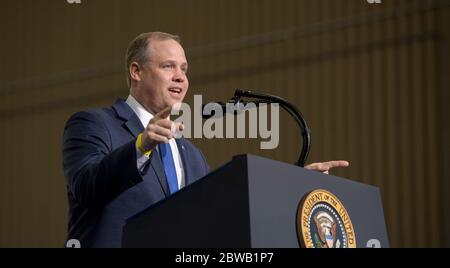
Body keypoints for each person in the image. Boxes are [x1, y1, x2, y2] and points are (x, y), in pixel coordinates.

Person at [62, 32, 349, 248]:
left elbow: (224, 215)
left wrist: (292, 187)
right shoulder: (94, 123)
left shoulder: (190, 154)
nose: (180, 78)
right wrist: (141, 146)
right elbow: (86, 186)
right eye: (168, 67)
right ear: (136, 71)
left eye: (184, 69)